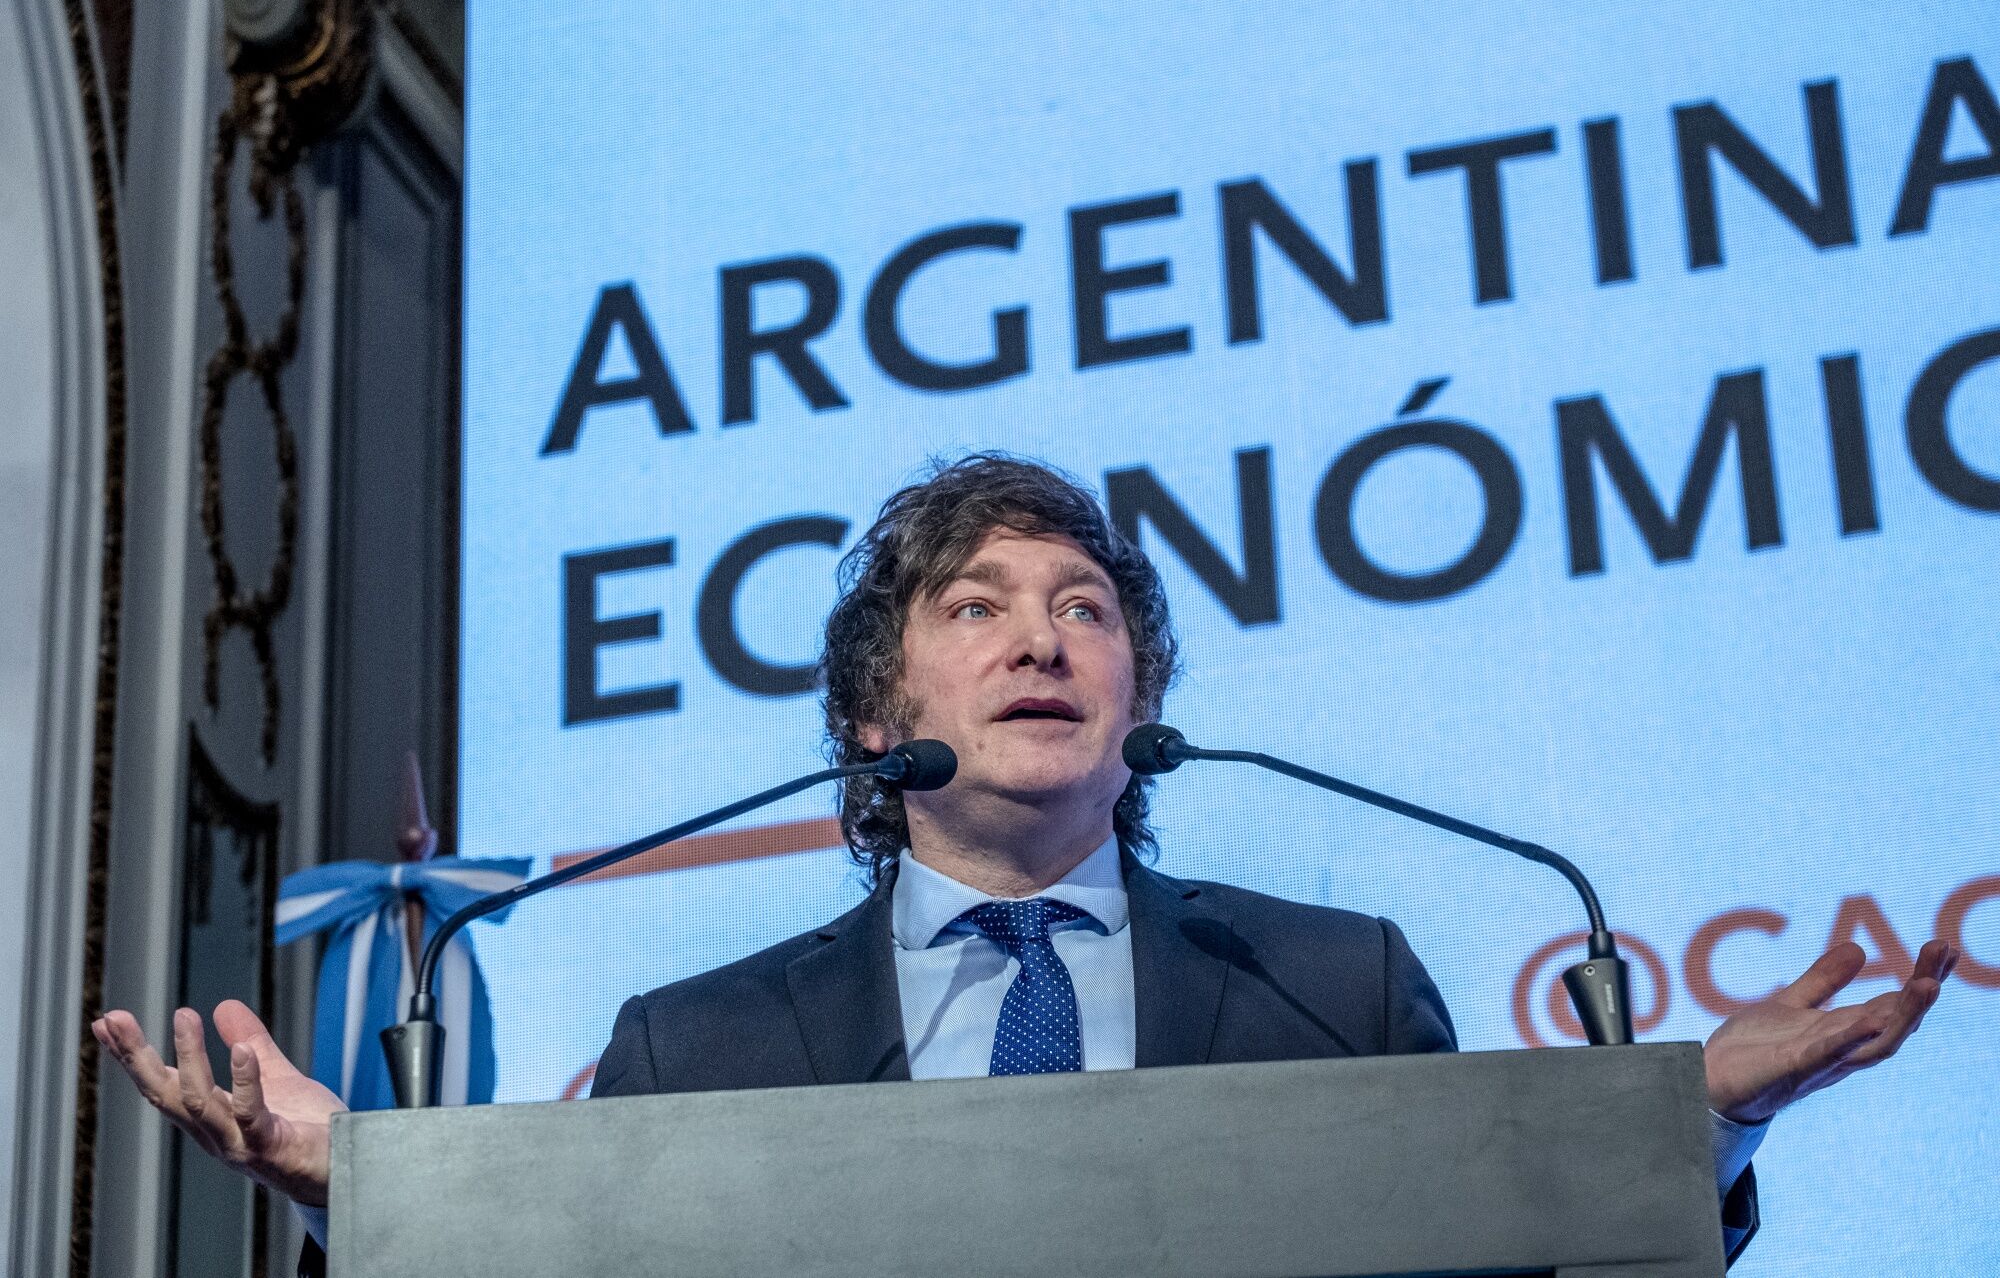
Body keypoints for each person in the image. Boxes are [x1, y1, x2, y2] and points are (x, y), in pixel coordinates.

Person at [96, 454, 1958, 1272]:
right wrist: (358, 1189)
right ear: (873, 715)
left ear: (1140, 695)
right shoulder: (696, 1044)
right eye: (977, 606)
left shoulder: (1337, 982)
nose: (1043, 638)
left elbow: (1504, 1261)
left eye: (1085, 607)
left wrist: (1687, 1125)